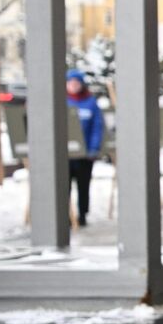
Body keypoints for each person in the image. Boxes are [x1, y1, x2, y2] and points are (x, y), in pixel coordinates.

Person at [63, 69, 104, 226]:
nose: (73, 86)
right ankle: (66, 214)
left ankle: (82, 214)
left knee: (83, 185)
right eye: (70, 83)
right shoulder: (63, 101)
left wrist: (93, 148)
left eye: (76, 83)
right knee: (64, 186)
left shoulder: (90, 102)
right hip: (66, 154)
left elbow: (97, 127)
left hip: (85, 154)